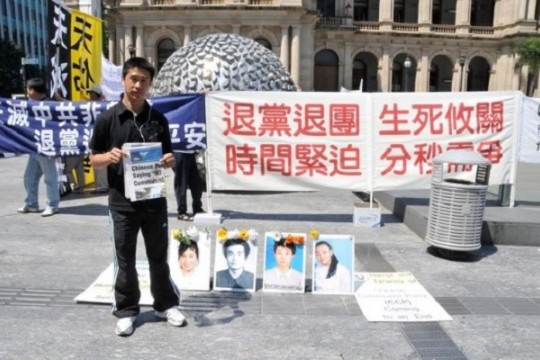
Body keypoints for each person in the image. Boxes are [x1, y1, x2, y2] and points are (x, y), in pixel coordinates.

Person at [89, 57, 186, 337]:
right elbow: (93, 158)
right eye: (133, 78)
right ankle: (127, 310)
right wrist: (108, 156)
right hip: (122, 204)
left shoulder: (158, 119)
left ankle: (165, 304)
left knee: (159, 257)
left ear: (150, 84)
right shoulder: (108, 118)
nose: (138, 85)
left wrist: (169, 160)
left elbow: (169, 155)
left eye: (144, 80)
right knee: (125, 259)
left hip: (154, 200)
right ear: (123, 80)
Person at [17, 78, 60, 217]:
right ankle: (31, 203)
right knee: (29, 177)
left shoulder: (51, 105)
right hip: (34, 147)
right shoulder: (30, 105)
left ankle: (52, 205)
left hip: (47, 148)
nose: (27, 92)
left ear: (33, 91)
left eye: (28, 89)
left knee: (50, 178)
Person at [86, 85, 109, 194]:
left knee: (101, 162)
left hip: (103, 137)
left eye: (92, 92)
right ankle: (99, 186)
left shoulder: (104, 105)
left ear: (97, 94)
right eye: (89, 93)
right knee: (96, 161)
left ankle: (103, 186)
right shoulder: (88, 105)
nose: (90, 94)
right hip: (93, 137)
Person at [173, 150, 205, 221]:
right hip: (179, 152)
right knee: (182, 182)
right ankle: (182, 212)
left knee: (197, 182)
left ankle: (197, 208)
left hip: (192, 152)